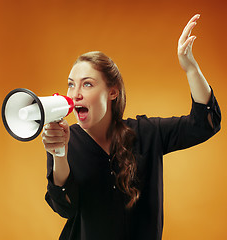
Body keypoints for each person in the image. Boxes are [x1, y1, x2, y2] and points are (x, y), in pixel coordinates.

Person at [41, 14, 221, 240]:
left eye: (87, 84)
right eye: (71, 84)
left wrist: (191, 68)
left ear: (112, 92)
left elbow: (205, 124)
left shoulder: (147, 133)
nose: (75, 94)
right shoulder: (65, 140)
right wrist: (59, 154)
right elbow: (64, 208)